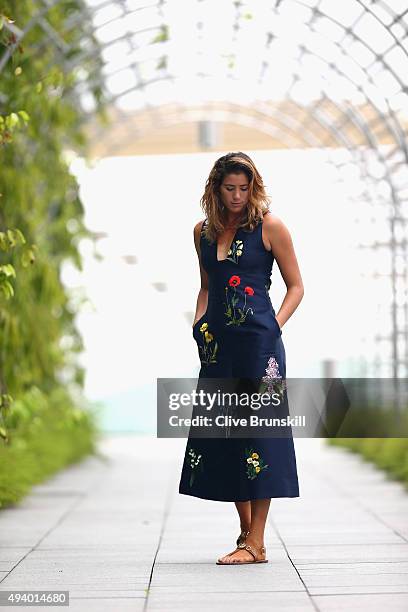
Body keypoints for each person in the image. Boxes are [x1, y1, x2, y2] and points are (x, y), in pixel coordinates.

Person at [178, 152, 304, 565]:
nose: (237, 196)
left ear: (254, 187)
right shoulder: (202, 232)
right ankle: (247, 534)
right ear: (215, 189)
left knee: (260, 436)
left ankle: (256, 541)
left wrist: (275, 327)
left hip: (259, 349)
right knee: (225, 436)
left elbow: (297, 287)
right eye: (229, 188)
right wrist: (199, 324)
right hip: (217, 349)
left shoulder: (270, 226)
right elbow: (205, 287)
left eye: (244, 188)